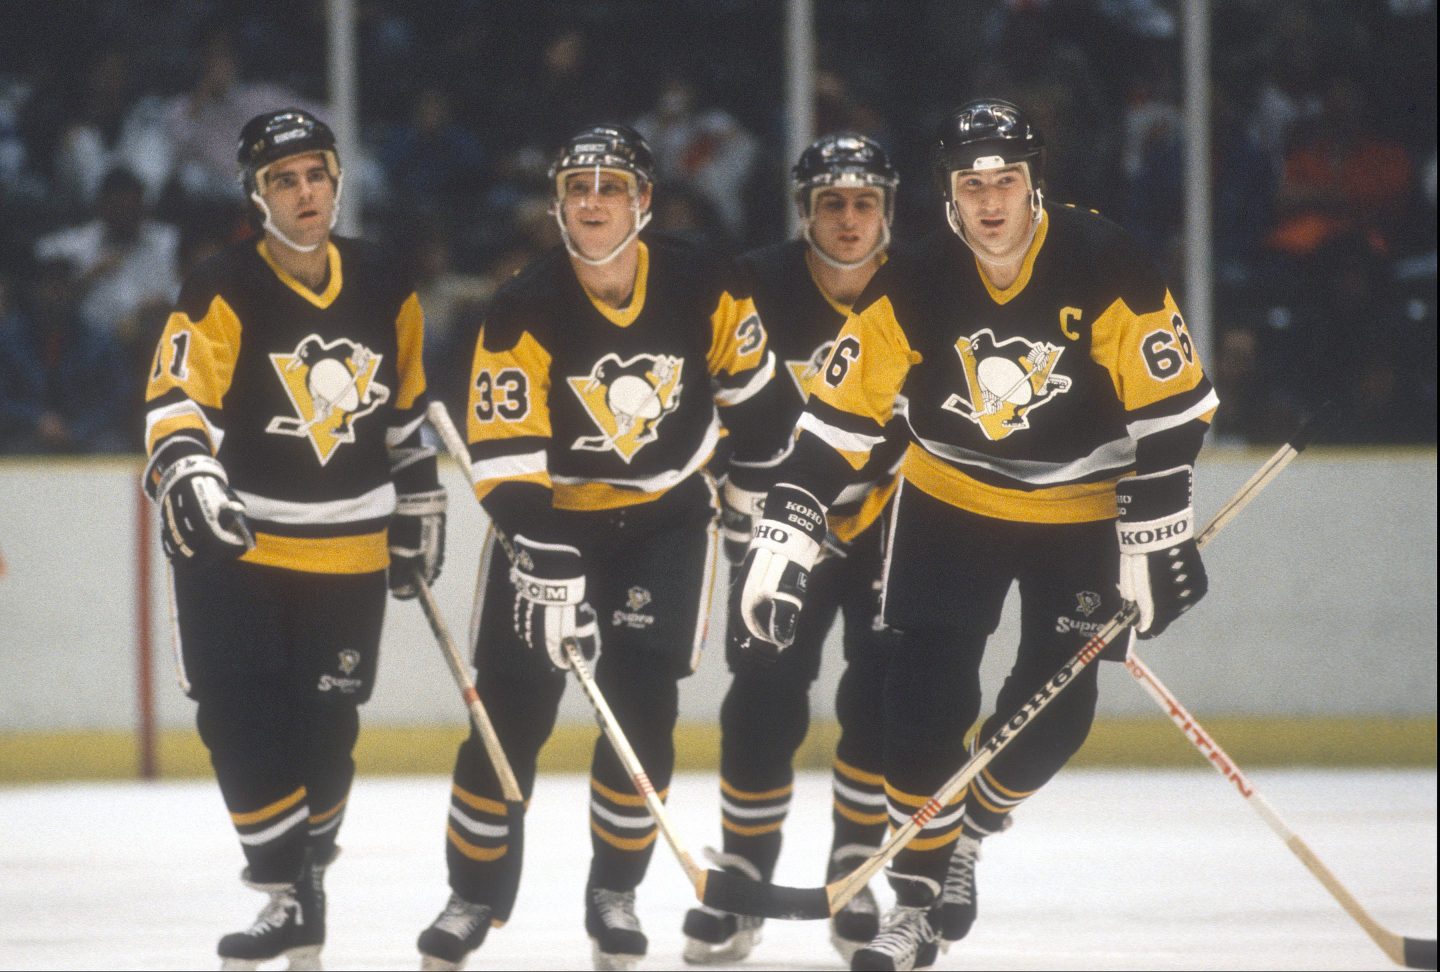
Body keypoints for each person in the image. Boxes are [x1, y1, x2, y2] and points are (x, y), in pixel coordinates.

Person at [730, 100, 1218, 972]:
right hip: (950, 500)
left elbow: (1175, 407)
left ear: (1035, 185)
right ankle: (916, 902)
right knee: (920, 699)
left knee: (1057, 715)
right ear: (949, 195)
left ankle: (970, 828)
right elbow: (837, 420)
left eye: (1005, 181)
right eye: (971, 184)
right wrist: (787, 525)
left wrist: (1157, 525)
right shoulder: (914, 277)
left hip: (1082, 508)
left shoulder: (1104, 258)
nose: (990, 202)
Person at [415, 124, 788, 972]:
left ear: (643, 202)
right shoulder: (523, 304)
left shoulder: (704, 280)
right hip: (551, 521)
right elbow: (505, 463)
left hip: (665, 520)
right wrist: (545, 561)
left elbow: (763, 409)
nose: (592, 202)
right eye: (577, 188)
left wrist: (760, 506)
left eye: (611, 187)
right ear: (557, 204)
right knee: (509, 712)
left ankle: (613, 895)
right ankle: (472, 896)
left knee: (642, 708)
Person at [141, 108, 445, 970]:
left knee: (327, 726)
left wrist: (421, 495)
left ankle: (299, 899)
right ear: (256, 194)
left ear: (337, 181)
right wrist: (187, 466)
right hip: (238, 546)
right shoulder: (221, 284)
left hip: (349, 546)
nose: (304, 192)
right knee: (239, 716)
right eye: (284, 180)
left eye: (316, 174)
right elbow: (177, 397)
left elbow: (407, 408)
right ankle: (286, 891)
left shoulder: (384, 279)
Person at [680, 133, 905, 965]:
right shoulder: (753, 285)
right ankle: (744, 870)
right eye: (831, 202)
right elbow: (702, 393)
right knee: (764, 691)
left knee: (879, 691)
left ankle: (856, 866)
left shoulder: (922, 285)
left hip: (889, 522)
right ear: (804, 209)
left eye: (864, 202)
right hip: (778, 525)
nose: (848, 219)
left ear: (887, 209)